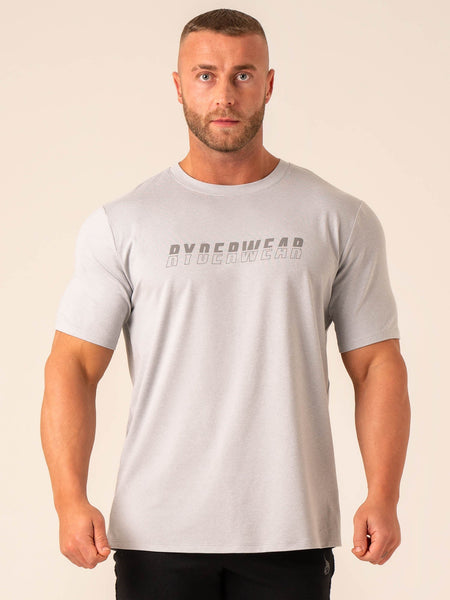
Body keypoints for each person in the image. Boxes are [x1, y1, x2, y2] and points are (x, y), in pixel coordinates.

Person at [40, 8, 411, 600]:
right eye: (206, 75)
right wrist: (69, 498)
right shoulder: (124, 224)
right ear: (178, 85)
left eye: (243, 75)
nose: (224, 95)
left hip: (290, 530)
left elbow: (376, 365)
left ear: (269, 84)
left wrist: (383, 494)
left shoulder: (339, 217)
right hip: (156, 531)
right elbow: (73, 366)